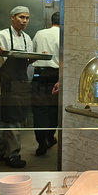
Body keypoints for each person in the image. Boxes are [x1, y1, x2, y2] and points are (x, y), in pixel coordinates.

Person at [0, 5, 34, 169]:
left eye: (27, 18)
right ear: (12, 17)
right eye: (21, 17)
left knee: (15, 117)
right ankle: (13, 155)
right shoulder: (1, 36)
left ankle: (0, 152)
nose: (25, 21)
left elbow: (28, 60)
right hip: (6, 83)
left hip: (21, 83)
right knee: (12, 119)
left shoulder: (27, 38)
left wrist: (35, 58)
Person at [31, 11, 61, 156]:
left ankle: (41, 141)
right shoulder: (64, 35)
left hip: (39, 74)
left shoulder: (39, 33)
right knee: (53, 110)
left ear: (51, 22)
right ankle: (49, 137)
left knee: (39, 110)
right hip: (56, 76)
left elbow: (32, 53)